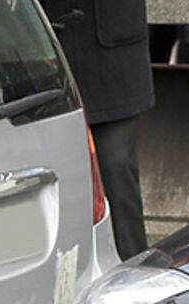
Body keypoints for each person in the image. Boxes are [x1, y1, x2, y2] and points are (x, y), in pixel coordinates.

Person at [41, 0, 155, 260]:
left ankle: (133, 272)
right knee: (51, 180)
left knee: (116, 169)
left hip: (113, 54)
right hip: (45, 48)